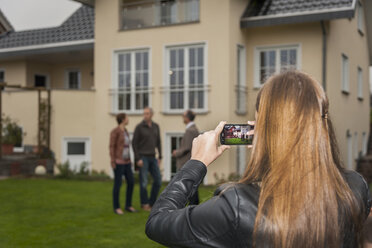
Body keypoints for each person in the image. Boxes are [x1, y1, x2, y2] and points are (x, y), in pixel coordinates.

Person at [146, 71, 372, 247]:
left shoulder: (236, 206)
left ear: (264, 127)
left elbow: (157, 222)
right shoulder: (355, 188)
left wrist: (196, 163)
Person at [132, 107, 162, 211]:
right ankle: (144, 203)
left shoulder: (156, 126)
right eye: (144, 113)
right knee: (143, 182)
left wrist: (160, 156)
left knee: (158, 180)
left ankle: (152, 203)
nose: (145, 115)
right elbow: (134, 144)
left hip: (153, 157)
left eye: (147, 113)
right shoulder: (139, 127)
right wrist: (137, 159)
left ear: (151, 115)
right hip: (143, 158)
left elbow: (158, 142)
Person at [109, 113, 137, 215]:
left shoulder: (125, 131)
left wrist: (130, 160)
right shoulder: (115, 131)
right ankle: (116, 207)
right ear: (122, 119)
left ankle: (128, 205)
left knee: (131, 182)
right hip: (118, 162)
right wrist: (112, 160)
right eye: (127, 118)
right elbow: (112, 146)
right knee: (118, 184)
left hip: (127, 162)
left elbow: (126, 147)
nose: (128, 119)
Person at [172, 110, 200, 205]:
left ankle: (192, 208)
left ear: (187, 118)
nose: (182, 118)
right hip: (190, 162)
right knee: (191, 187)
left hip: (186, 162)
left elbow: (187, 147)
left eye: (183, 116)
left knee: (189, 187)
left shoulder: (190, 130)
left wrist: (176, 153)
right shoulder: (193, 129)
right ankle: (193, 207)